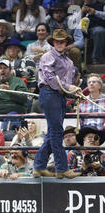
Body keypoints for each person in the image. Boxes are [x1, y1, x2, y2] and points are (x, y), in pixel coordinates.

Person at [33, 29, 82, 179]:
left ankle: (38, 166)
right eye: (57, 41)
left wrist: (75, 92)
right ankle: (61, 168)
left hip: (59, 96)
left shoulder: (69, 62)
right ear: (53, 43)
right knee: (56, 132)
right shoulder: (48, 56)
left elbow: (66, 84)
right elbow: (49, 77)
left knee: (55, 132)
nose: (60, 44)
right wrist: (69, 88)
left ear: (66, 43)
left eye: (62, 41)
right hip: (49, 93)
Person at [46, 2, 84, 71]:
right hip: (53, 48)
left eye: (61, 12)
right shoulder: (48, 22)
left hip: (69, 48)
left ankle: (77, 74)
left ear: (65, 13)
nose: (58, 14)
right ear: (52, 14)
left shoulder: (73, 22)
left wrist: (69, 47)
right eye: (56, 12)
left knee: (75, 51)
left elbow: (81, 41)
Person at [81, 0, 105, 64]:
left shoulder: (102, 5)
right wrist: (81, 12)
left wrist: (95, 12)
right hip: (81, 29)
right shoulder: (80, 5)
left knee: (99, 31)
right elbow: (73, 20)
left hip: (95, 28)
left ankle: (97, 58)